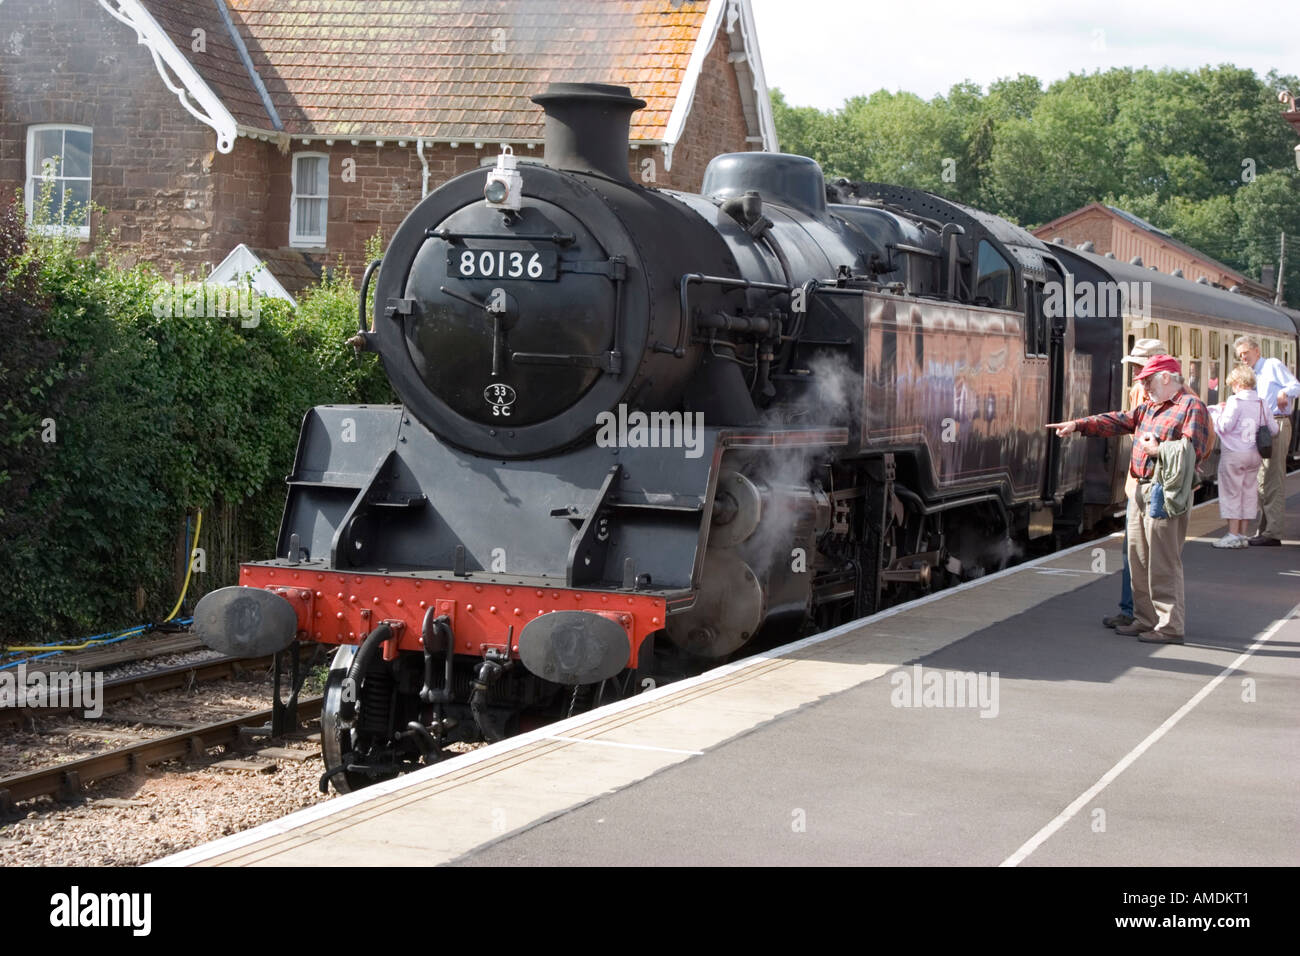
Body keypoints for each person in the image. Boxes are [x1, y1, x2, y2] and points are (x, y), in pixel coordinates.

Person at [1047, 355, 1211, 644]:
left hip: (1164, 491)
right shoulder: (1149, 406)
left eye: (1147, 380)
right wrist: (1078, 425)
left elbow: (1194, 450)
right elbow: (1121, 420)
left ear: (1165, 377)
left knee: (1163, 561)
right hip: (1141, 489)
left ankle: (1170, 626)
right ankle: (1145, 618)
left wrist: (1159, 450)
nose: (1143, 386)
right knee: (1138, 558)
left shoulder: (1191, 406)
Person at [1101, 338, 1168, 630]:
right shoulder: (1137, 392)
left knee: (1159, 554)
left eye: (1142, 366)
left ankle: (1156, 617)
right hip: (1137, 482)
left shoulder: (1183, 399)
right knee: (1134, 550)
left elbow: (1204, 440)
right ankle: (1131, 610)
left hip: (1164, 485)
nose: (1137, 373)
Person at [1233, 335, 1299, 546]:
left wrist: (1283, 391)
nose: (1243, 358)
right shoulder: (1249, 375)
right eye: (1240, 355)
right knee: (1261, 478)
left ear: (1257, 352)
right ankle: (1265, 528)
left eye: (1246, 353)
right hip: (1260, 428)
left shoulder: (1272, 365)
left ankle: (1273, 532)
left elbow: (1296, 386)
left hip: (1277, 424)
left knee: (1273, 477)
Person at [1209, 366, 1277, 548]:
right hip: (1255, 455)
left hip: (1234, 453)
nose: (1232, 388)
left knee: (1232, 492)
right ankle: (1242, 535)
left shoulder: (1235, 401)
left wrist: (1216, 413)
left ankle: (1232, 534)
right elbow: (1274, 429)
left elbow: (1224, 426)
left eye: (1232, 384)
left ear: (1238, 384)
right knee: (1248, 493)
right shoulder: (1262, 402)